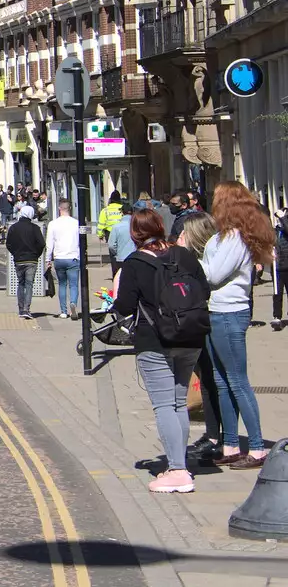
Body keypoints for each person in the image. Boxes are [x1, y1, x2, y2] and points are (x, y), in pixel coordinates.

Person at [113, 209, 209, 493]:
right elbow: (204, 290)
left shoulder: (135, 263)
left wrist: (114, 301)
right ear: (160, 227)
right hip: (191, 337)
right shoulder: (184, 256)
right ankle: (179, 464)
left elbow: (126, 307)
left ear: (134, 234)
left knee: (165, 405)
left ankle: (178, 470)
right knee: (179, 403)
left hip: (155, 341)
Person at [196, 184, 277, 470]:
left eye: (216, 198)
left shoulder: (235, 239)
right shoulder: (222, 237)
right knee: (220, 382)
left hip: (229, 314)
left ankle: (256, 448)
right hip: (215, 312)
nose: (212, 202)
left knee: (237, 381)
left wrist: (192, 264)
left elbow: (214, 274)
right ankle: (230, 443)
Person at [6, 204, 46, 320]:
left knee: (21, 283)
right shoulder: (35, 228)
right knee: (29, 285)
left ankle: (20, 309)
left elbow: (9, 244)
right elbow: (42, 244)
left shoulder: (14, 228)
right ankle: (26, 309)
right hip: (32, 260)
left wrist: (15, 253)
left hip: (19, 259)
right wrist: (36, 254)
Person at [46, 201, 83, 321]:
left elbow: (49, 243)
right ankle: (73, 302)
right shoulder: (76, 223)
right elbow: (80, 241)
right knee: (73, 284)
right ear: (70, 209)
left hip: (59, 258)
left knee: (62, 284)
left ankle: (63, 311)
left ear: (59, 209)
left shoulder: (53, 224)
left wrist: (48, 259)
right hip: (73, 257)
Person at [107, 202, 140, 281]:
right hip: (136, 258)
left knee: (122, 282)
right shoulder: (137, 226)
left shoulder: (116, 227)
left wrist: (116, 253)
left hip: (121, 259)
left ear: (122, 213)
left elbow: (111, 245)